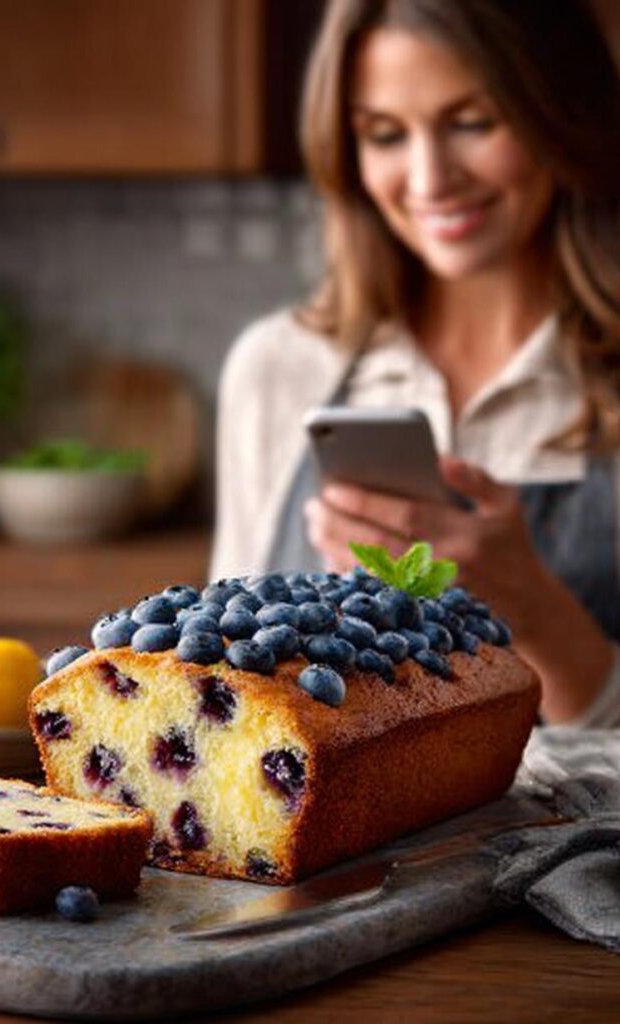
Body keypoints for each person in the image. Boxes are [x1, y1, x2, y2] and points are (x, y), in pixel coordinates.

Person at [210, 0, 620, 726]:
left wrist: (536, 614)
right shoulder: (277, 368)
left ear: (559, 112)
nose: (429, 180)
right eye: (384, 134)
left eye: (472, 122)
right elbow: (230, 702)